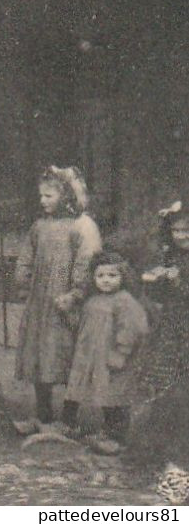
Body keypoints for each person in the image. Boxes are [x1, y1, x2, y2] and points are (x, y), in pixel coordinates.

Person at [12, 165, 104, 437]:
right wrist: (23, 281)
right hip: (41, 302)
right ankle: (42, 415)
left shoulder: (82, 226)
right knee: (40, 354)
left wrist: (76, 294)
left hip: (67, 304)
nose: (43, 201)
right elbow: (27, 256)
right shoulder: (40, 226)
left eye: (49, 196)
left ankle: (69, 417)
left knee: (68, 357)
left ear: (66, 196)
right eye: (41, 196)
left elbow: (87, 262)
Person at [67, 251, 149, 457]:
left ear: (123, 277)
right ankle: (99, 432)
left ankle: (117, 437)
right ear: (93, 278)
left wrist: (121, 353)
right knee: (101, 394)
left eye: (112, 276)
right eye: (100, 276)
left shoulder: (125, 301)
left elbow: (133, 329)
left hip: (114, 359)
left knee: (116, 396)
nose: (106, 280)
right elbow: (82, 326)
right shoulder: (93, 300)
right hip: (94, 358)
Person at [132, 207, 189, 502]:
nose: (182, 236)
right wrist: (157, 282)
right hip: (172, 329)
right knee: (167, 386)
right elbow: (160, 297)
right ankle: (163, 453)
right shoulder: (171, 257)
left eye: (187, 231)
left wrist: (180, 281)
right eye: (178, 231)